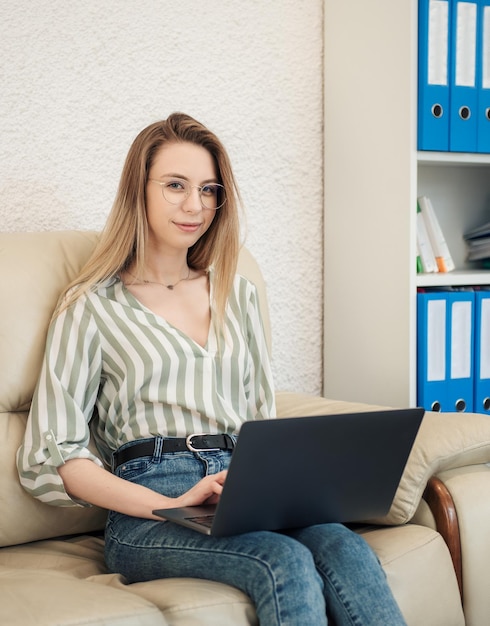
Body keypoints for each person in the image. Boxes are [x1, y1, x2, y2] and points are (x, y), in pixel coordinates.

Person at [17, 112, 407, 626]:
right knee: (282, 561)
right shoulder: (90, 306)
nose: (194, 205)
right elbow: (57, 455)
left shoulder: (235, 293)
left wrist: (279, 483)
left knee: (343, 546)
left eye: (208, 189)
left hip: (241, 486)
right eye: (175, 185)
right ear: (140, 189)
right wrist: (169, 502)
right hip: (150, 501)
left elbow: (260, 420)